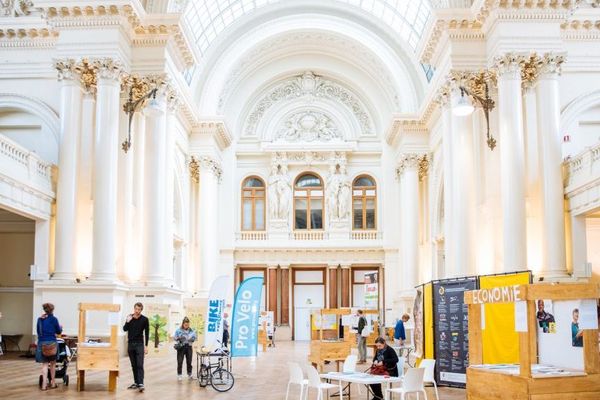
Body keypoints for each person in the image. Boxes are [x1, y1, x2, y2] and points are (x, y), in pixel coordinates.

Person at [123, 302, 149, 392]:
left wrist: (146, 346)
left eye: (139, 309)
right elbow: (125, 329)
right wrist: (127, 321)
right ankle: (136, 382)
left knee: (139, 364)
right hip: (130, 344)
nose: (137, 311)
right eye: (136, 309)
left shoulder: (145, 319)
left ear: (141, 310)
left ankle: (141, 383)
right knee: (133, 365)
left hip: (139, 344)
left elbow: (147, 333)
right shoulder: (129, 317)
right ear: (134, 309)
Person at [36, 303, 62, 391]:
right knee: (53, 364)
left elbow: (38, 331)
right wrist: (60, 328)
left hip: (42, 343)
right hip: (52, 342)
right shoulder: (54, 319)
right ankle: (53, 383)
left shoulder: (40, 319)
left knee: (44, 364)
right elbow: (58, 331)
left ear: (44, 310)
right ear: (52, 310)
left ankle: (44, 385)